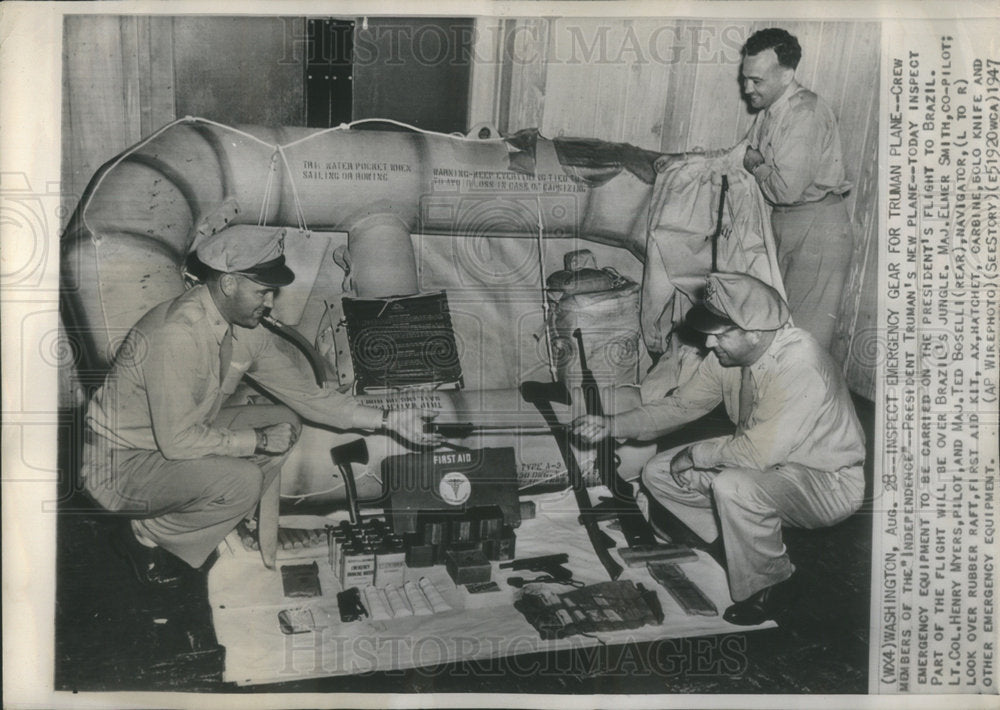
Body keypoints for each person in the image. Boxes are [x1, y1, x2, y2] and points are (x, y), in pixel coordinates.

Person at [81, 225, 439, 586]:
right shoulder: (179, 334)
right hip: (117, 465)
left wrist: (389, 420)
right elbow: (177, 442)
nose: (270, 302)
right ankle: (146, 535)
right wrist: (257, 441)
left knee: (284, 418)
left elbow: (308, 397)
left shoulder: (245, 330)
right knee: (244, 480)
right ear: (229, 283)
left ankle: (214, 511)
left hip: (165, 442)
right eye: (262, 291)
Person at [572, 272, 865, 625]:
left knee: (732, 486)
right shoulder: (732, 356)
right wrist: (613, 423)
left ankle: (776, 583)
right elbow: (683, 406)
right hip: (772, 465)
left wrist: (695, 455)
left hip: (824, 481)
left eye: (720, 335)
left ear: (755, 331)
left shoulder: (801, 364)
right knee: (658, 473)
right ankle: (733, 548)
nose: (709, 345)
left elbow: (756, 453)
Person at [738, 28, 854, 351]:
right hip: (788, 225)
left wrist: (756, 164)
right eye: (745, 78)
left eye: (756, 80)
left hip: (816, 231)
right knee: (780, 330)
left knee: (802, 341)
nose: (747, 88)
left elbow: (784, 189)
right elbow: (742, 152)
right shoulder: (770, 112)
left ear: (787, 73)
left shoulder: (805, 114)